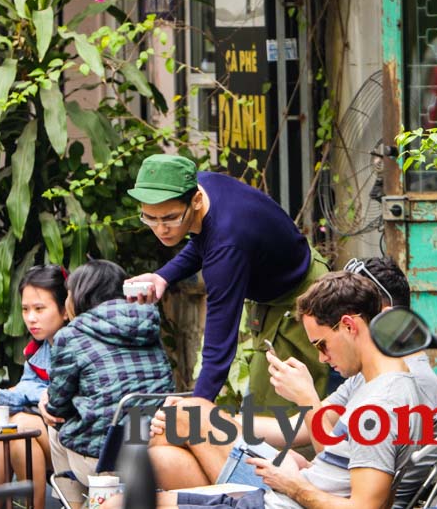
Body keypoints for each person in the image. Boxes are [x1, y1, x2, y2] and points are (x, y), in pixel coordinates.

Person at [142, 271, 432, 509]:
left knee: (180, 422)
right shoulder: (374, 382)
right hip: (278, 494)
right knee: (159, 461)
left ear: (348, 326)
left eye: (321, 344)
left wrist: (293, 484)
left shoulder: (381, 403)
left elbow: (366, 506)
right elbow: (338, 457)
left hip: (282, 498)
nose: (321, 358)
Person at [124, 154, 329, 408]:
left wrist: (197, 409)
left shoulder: (226, 248)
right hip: (280, 280)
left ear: (196, 200)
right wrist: (163, 276)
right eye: (150, 218)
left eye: (170, 218)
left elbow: (218, 347)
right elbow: (204, 241)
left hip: (301, 298)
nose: (160, 229)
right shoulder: (200, 185)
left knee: (275, 413)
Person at [39, 260, 175, 508]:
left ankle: (73, 504)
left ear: (81, 294)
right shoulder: (148, 326)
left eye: (69, 293)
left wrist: (46, 405)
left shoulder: (70, 335)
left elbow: (58, 407)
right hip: (156, 452)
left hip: (103, 464)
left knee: (55, 427)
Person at [0, 265, 69, 509]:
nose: (30, 318)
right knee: (10, 437)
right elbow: (26, 389)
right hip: (46, 436)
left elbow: (56, 393)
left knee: (17, 426)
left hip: (77, 438)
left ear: (66, 309)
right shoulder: (39, 350)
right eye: (25, 309)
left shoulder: (77, 344)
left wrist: (42, 394)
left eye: (39, 309)